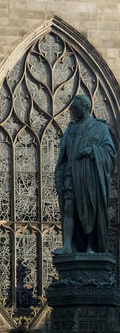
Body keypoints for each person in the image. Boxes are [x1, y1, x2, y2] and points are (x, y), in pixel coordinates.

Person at [55, 93, 117, 254]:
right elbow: (63, 154)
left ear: (84, 107)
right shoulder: (71, 129)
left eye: (75, 108)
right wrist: (60, 176)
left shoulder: (99, 127)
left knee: (90, 211)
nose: (72, 112)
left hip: (89, 177)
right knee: (69, 208)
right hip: (71, 174)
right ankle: (67, 245)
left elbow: (110, 152)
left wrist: (93, 150)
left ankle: (91, 246)